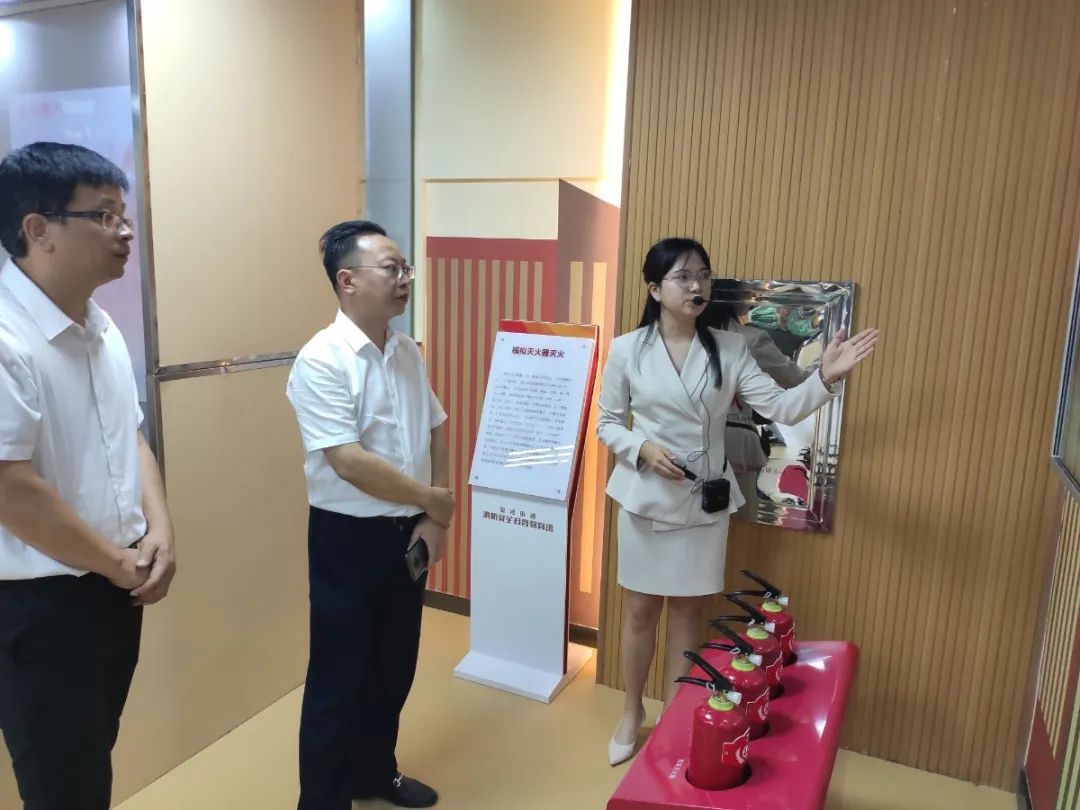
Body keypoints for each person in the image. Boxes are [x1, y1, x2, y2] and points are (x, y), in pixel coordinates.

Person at [596, 237, 878, 765]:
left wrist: (826, 376)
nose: (697, 286)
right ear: (655, 289)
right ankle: (631, 711)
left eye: (703, 275)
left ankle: (675, 717)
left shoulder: (729, 348)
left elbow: (782, 407)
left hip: (703, 501)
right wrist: (642, 449)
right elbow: (607, 423)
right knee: (639, 612)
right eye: (683, 277)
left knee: (689, 613)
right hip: (645, 498)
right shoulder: (627, 349)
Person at [0, 142, 176, 809]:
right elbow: (10, 487)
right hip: (40, 606)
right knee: (62, 786)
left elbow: (129, 433)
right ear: (37, 229)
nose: (124, 231)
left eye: (122, 214)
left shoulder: (99, 325)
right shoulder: (7, 337)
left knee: (90, 759)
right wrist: (116, 561)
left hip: (112, 586)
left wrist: (159, 529)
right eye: (103, 215)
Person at [286, 220, 454, 809]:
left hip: (408, 532)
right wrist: (432, 499)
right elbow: (348, 461)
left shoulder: (406, 351)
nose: (405, 278)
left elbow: (436, 427)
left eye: (406, 268)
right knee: (339, 676)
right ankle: (323, 800)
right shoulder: (321, 359)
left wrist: (434, 515)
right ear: (348, 280)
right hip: (347, 538)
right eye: (391, 268)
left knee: (393, 665)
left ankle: (374, 772)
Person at [701, 282, 815, 520]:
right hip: (736, 446)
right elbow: (795, 380)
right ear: (734, 298)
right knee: (737, 522)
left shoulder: (685, 337)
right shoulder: (749, 339)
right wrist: (824, 366)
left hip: (687, 448)